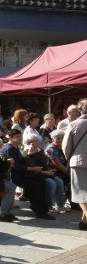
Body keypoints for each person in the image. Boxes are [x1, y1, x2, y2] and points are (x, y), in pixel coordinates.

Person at [0, 129, 54, 219]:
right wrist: (32, 168)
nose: (19, 139)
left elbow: (22, 161)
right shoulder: (9, 149)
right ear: (10, 138)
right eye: (17, 137)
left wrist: (30, 156)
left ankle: (39, 207)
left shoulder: (16, 147)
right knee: (35, 185)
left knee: (41, 180)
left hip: (22, 173)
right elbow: (14, 167)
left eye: (20, 136)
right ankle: (40, 211)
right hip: (13, 176)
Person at [23, 134, 66, 213]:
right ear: (30, 143)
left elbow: (43, 163)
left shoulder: (40, 150)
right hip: (36, 174)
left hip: (45, 172)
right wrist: (45, 172)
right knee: (52, 184)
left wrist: (48, 158)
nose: (37, 142)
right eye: (35, 141)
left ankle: (60, 206)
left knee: (60, 182)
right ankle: (48, 206)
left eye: (37, 141)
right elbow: (31, 167)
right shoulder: (27, 152)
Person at [62, 98, 87, 230]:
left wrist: (70, 158)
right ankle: (84, 222)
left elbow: (66, 146)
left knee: (81, 193)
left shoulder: (73, 124)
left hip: (78, 162)